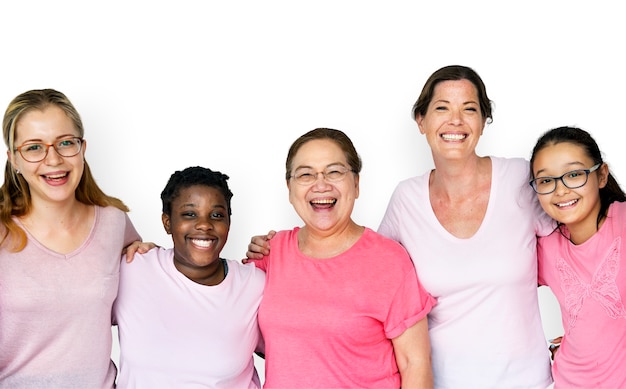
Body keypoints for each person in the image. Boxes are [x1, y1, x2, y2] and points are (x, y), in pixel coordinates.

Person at [247, 66, 555, 388]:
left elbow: (578, 250)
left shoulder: (521, 179)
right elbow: (353, 277)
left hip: (526, 380)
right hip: (445, 381)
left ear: (483, 121)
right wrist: (270, 250)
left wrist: (587, 334)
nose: (456, 120)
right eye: (441, 108)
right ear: (421, 121)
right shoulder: (406, 200)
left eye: (469, 109)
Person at [246, 128, 435, 388]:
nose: (320, 184)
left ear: (356, 184)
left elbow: (416, 364)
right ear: (289, 189)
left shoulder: (389, 261)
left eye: (334, 172)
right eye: (306, 174)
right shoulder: (270, 253)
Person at [0, 89, 141, 388]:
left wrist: (148, 253)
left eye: (65, 143)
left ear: (82, 148)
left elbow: (143, 278)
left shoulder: (113, 222)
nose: (53, 159)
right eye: (34, 147)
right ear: (14, 159)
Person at [113, 166, 265, 388]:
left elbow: (292, 348)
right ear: (167, 222)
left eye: (217, 215)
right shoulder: (133, 268)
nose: (204, 224)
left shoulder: (254, 284)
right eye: (189, 214)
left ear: (228, 223)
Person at [529, 126, 626, 388]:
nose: (560, 190)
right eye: (546, 180)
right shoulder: (546, 246)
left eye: (574, 175)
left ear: (601, 175)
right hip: (569, 382)